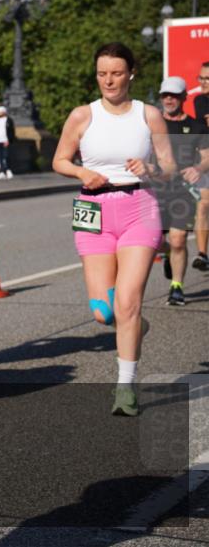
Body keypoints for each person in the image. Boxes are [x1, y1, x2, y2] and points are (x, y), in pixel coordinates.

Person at [52, 42, 175, 417]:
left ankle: (125, 387)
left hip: (140, 207)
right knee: (105, 311)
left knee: (127, 301)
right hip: (93, 210)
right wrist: (81, 171)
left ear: (131, 73)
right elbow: (59, 159)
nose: (109, 80)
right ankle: (135, 324)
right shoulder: (81, 116)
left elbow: (168, 166)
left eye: (117, 73)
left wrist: (150, 169)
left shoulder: (148, 115)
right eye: (103, 73)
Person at [153, 76, 209, 304]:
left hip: (182, 191)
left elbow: (207, 157)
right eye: (165, 95)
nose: (169, 99)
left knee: (178, 239)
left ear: (184, 97)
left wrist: (198, 168)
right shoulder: (153, 124)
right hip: (155, 190)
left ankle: (176, 286)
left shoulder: (197, 127)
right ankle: (166, 253)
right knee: (155, 241)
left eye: (174, 95)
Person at [192, 61, 209, 271]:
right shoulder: (200, 101)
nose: (203, 82)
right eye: (201, 78)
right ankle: (202, 254)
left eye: (208, 79)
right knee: (203, 205)